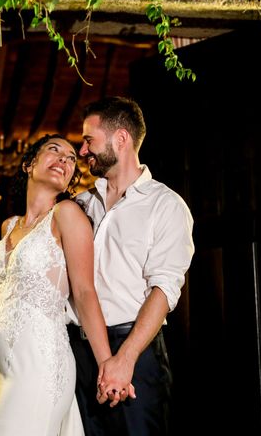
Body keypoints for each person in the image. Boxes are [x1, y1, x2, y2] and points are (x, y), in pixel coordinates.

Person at [0, 134, 120, 436]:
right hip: (4, 367)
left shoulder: (67, 215)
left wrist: (107, 366)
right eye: (54, 150)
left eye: (72, 158)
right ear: (28, 164)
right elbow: (19, 291)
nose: (64, 159)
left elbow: (85, 293)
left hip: (42, 362)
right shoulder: (8, 226)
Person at [67, 96, 195, 436]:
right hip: (77, 353)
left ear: (120, 139)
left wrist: (124, 361)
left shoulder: (165, 206)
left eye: (88, 140)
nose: (82, 151)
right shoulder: (79, 205)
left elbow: (165, 289)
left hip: (135, 354)